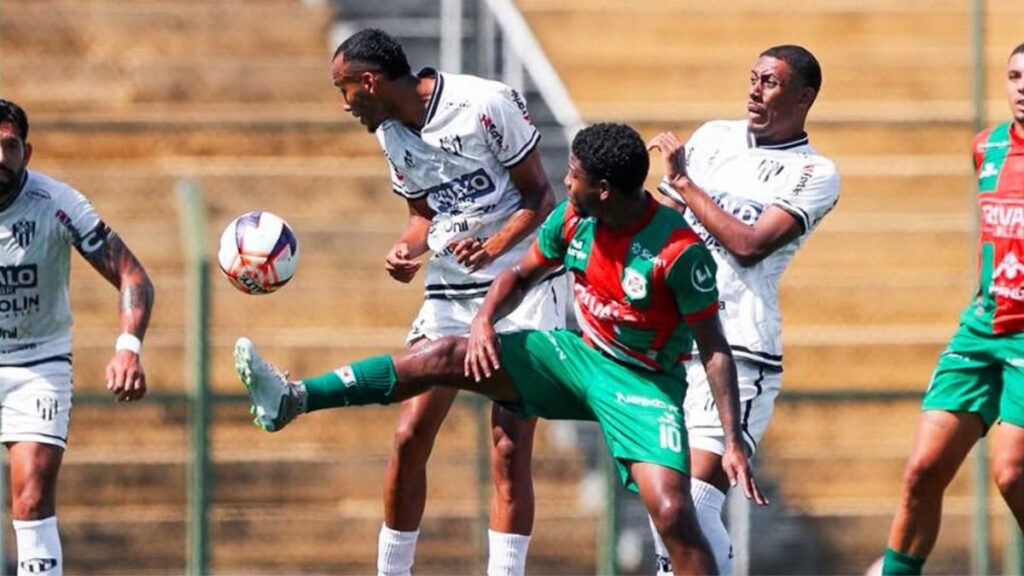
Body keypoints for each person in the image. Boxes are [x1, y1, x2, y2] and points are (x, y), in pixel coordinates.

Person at [236, 122, 766, 575]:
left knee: (673, 511)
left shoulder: (678, 251)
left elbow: (714, 349)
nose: (565, 180)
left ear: (603, 189)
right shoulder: (574, 218)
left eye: (574, 175)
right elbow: (517, 274)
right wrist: (486, 321)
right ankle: (293, 398)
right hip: (576, 358)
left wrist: (732, 439)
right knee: (445, 355)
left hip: (643, 383)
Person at [326, 28, 566, 576]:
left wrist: (493, 246)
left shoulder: (484, 103)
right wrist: (406, 250)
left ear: (370, 81)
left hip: (518, 285)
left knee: (508, 448)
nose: (344, 105)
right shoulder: (389, 133)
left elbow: (540, 196)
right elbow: (422, 215)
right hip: (449, 290)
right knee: (409, 435)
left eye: (344, 89)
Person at [646, 44, 840, 575]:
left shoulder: (813, 173)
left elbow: (751, 244)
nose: (755, 89)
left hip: (741, 349)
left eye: (771, 82)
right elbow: (663, 225)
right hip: (678, 344)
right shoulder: (713, 138)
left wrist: (685, 182)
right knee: (666, 502)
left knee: (694, 501)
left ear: (803, 97)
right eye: (753, 77)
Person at [879, 42, 1024, 576]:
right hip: (982, 328)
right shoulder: (986, 148)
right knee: (922, 470)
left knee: (1011, 473)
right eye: (1013, 76)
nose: (1022, 87)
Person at [0, 99, 154, 576]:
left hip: (36, 365)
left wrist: (128, 348)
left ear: (28, 151)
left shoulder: (58, 205)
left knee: (31, 494)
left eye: (9, 147)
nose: (0, 159)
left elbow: (132, 276)